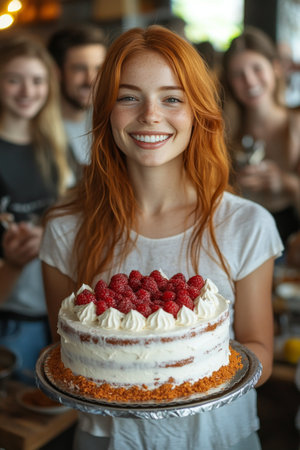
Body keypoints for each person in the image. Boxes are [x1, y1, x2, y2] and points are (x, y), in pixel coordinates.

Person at [40, 25, 283, 450]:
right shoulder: (65, 228)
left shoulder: (247, 224)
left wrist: (182, 381)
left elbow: (259, 349)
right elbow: (70, 358)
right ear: (105, 110)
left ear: (198, 112)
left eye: (172, 98)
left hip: (220, 440)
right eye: (128, 96)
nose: (150, 115)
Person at [0, 33, 71, 385]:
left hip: (58, 310)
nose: (27, 91)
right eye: (14, 80)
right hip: (12, 316)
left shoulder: (55, 147)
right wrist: (13, 261)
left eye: (37, 80)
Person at [221, 26, 300, 246]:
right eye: (238, 74)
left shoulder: (296, 125)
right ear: (229, 82)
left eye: (257, 68)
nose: (250, 81)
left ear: (275, 68)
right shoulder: (223, 134)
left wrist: (287, 184)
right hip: (241, 241)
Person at [47, 24, 107, 171]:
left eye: (98, 68)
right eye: (80, 69)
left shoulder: (108, 123)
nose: (91, 80)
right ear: (56, 72)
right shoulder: (39, 132)